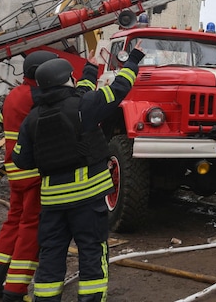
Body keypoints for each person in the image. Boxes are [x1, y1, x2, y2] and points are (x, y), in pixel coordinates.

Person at [12, 49, 144, 302]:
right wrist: (133, 61)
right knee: (92, 253)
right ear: (67, 80)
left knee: (51, 256)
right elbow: (119, 88)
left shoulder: (31, 120)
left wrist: (90, 70)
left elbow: (21, 160)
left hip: (52, 204)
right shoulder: (84, 107)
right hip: (88, 200)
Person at [0, 50, 57, 302]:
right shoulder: (39, 98)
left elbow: (3, 121)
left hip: (14, 171)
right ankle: (15, 291)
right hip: (34, 174)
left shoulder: (13, 95)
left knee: (13, 223)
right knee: (30, 229)